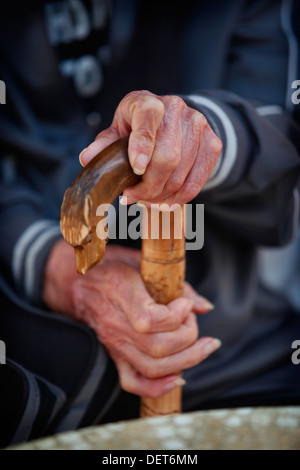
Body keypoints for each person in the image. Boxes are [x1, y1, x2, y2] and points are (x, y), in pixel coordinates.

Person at [0, 0, 300, 446]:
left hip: (234, 354)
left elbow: (280, 139)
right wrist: (60, 270)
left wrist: (199, 136)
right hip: (44, 366)